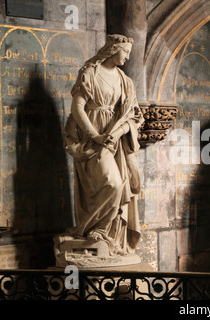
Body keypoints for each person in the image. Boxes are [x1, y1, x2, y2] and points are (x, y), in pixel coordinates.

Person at [61, 34, 144, 255]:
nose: (127, 57)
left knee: (117, 186)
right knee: (112, 184)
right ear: (113, 49)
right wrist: (96, 136)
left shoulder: (125, 81)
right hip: (92, 140)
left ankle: (102, 233)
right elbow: (77, 109)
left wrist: (118, 133)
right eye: (125, 52)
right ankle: (89, 229)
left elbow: (134, 117)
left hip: (114, 141)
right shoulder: (90, 74)